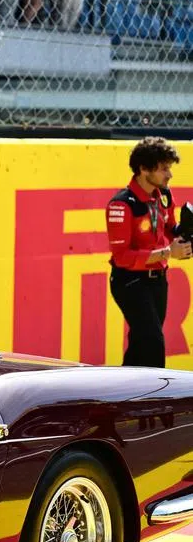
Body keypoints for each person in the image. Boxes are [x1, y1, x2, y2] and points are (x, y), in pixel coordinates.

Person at [107, 137, 192, 368]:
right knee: (153, 343)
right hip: (129, 281)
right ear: (144, 169)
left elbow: (170, 228)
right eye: (164, 168)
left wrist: (185, 233)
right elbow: (122, 257)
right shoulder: (121, 204)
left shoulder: (164, 195)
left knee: (140, 344)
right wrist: (168, 252)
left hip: (158, 280)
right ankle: (158, 391)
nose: (169, 175)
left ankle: (122, 388)